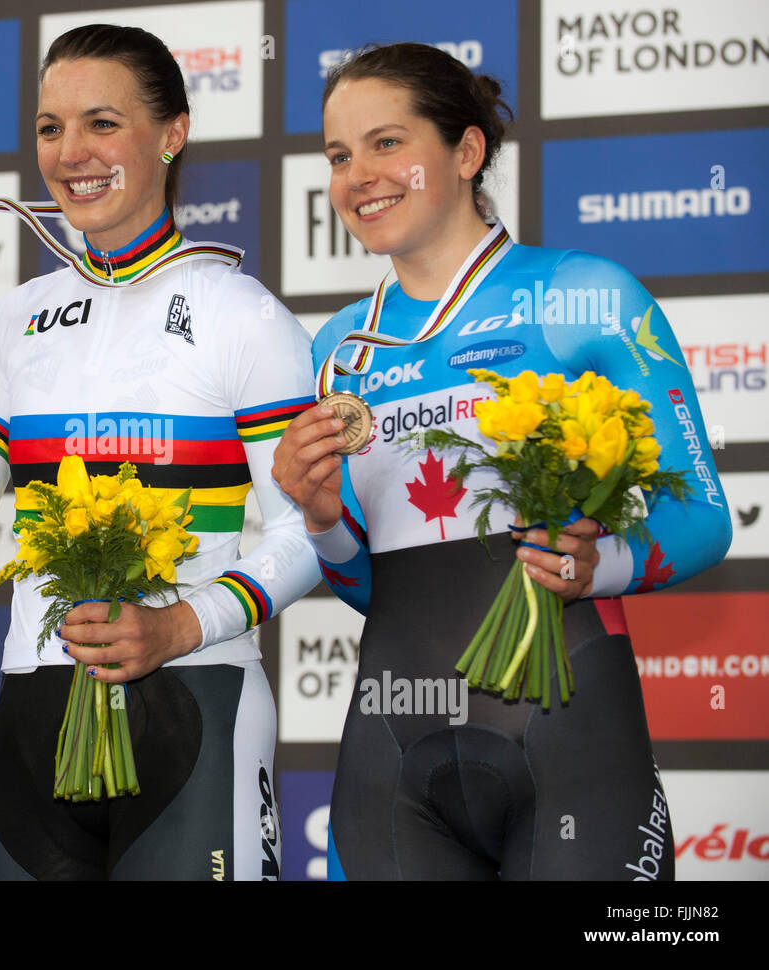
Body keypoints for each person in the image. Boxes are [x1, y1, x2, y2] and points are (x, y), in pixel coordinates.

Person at [273, 42, 732, 881]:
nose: (357, 176)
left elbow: (704, 518)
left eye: (386, 144)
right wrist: (324, 523)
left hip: (571, 738)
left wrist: (599, 565)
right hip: (394, 746)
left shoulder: (586, 295)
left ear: (467, 151)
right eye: (339, 156)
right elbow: (370, 589)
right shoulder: (339, 349)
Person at [0, 24, 319, 881]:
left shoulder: (244, 313)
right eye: (51, 128)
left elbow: (308, 532)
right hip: (34, 708)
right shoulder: (18, 315)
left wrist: (178, 625)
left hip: (196, 696)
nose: (70, 153)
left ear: (172, 133)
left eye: (101, 123)